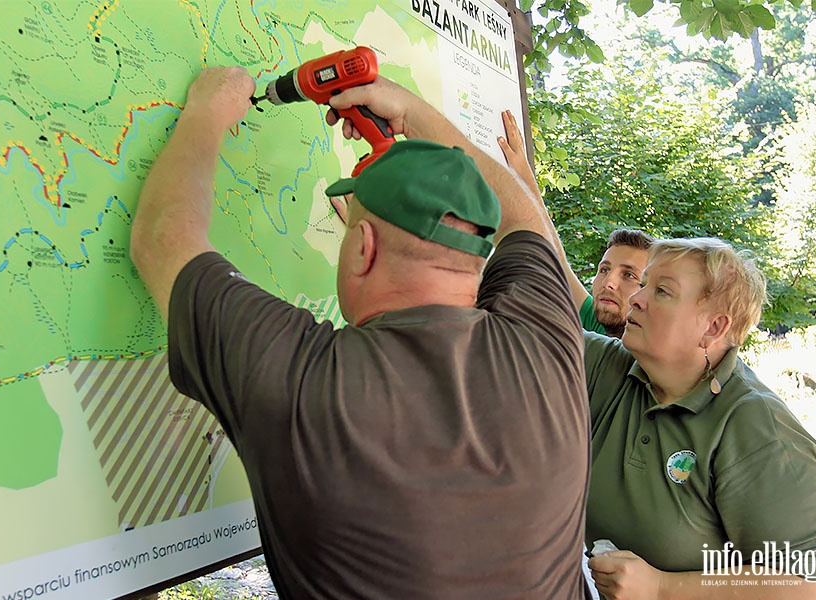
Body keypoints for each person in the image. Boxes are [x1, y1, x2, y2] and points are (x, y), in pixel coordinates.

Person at [130, 66, 592, 598]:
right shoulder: (548, 342)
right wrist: (413, 110)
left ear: (362, 246)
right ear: (475, 256)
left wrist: (209, 112)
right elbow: (525, 222)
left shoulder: (302, 377)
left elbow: (165, 239)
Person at [583, 237, 816, 600]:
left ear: (713, 327)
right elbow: (528, 321)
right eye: (643, 284)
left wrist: (662, 588)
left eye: (662, 291)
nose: (636, 299)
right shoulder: (610, 368)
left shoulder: (755, 426)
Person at [497, 110, 653, 337]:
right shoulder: (596, 321)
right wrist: (522, 171)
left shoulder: (657, 359)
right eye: (604, 269)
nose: (608, 282)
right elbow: (553, 254)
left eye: (629, 275)